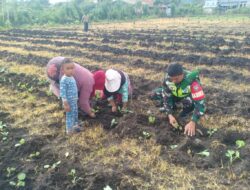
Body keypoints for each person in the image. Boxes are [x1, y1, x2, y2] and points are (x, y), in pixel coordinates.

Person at [152, 63, 206, 136]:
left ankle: (186, 111)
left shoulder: (193, 82)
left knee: (188, 103)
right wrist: (169, 114)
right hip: (175, 94)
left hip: (186, 97)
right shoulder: (167, 79)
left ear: (182, 74)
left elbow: (201, 104)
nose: (173, 81)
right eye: (172, 79)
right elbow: (166, 96)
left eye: (176, 78)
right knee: (156, 94)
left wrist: (193, 121)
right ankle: (173, 107)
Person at [59, 58, 80, 134]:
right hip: (68, 102)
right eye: (68, 68)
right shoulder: (64, 80)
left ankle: (75, 126)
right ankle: (69, 130)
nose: (71, 70)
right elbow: (63, 93)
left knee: (75, 113)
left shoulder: (71, 77)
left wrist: (76, 99)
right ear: (63, 70)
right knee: (70, 116)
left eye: (72, 68)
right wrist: (65, 104)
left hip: (74, 101)